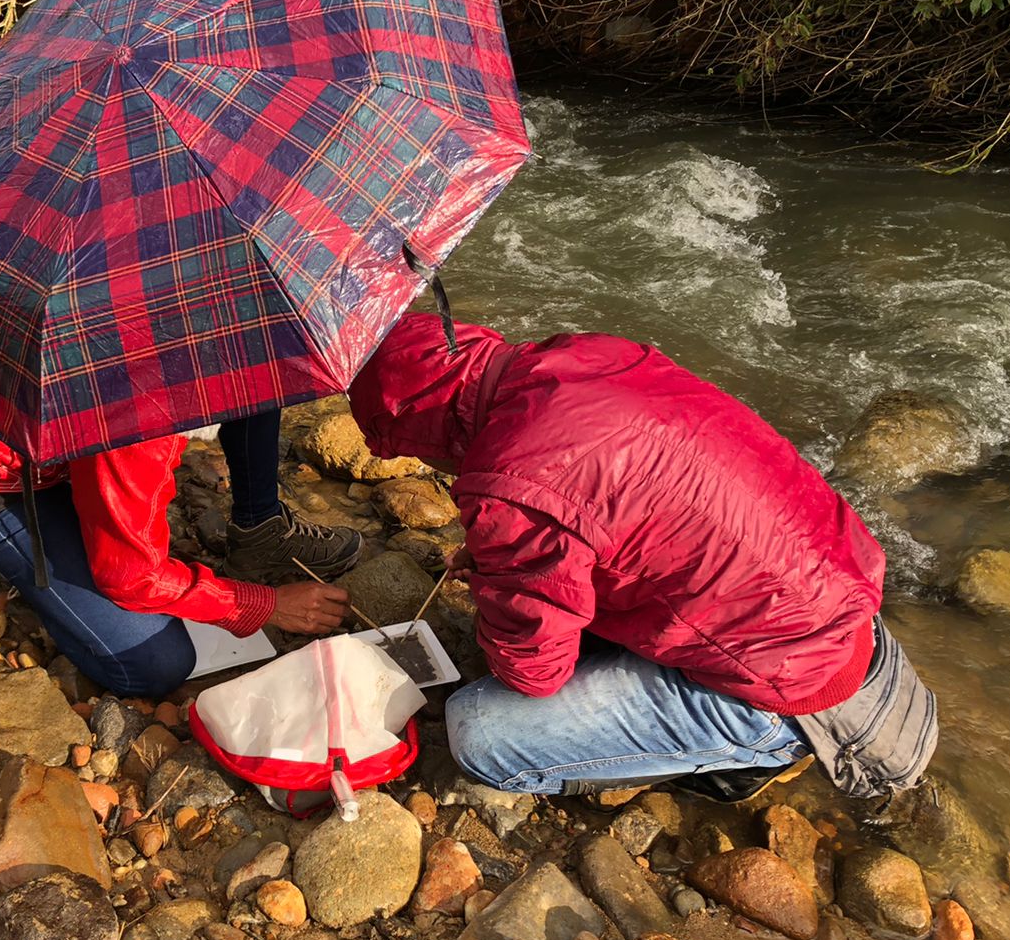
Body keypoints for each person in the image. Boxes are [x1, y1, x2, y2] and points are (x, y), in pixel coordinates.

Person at [346, 314, 937, 802]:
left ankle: (751, 754)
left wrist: (499, 578)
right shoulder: (591, 352)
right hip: (833, 601)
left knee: (481, 734)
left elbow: (535, 671)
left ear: (419, 431)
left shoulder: (510, 484)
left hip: (790, 686)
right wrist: (512, 560)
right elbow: (629, 514)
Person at [0, 409, 360, 697]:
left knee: (257, 380)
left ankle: (261, 528)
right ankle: (47, 590)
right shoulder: (136, 407)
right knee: (156, 664)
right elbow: (131, 577)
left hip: (55, 445)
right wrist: (266, 606)